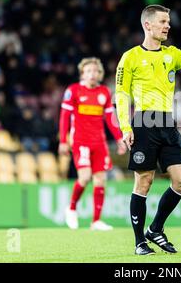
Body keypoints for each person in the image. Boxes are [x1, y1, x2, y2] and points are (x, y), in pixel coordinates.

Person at [115, 4, 181, 255]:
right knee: (144, 182)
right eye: (162, 21)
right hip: (144, 123)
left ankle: (156, 228)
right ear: (147, 25)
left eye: (168, 21)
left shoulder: (171, 54)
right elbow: (122, 94)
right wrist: (125, 127)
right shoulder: (130, 57)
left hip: (167, 123)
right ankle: (139, 243)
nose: (167, 25)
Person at [59, 57, 127, 231]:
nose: (92, 74)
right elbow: (65, 117)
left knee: (101, 180)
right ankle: (72, 208)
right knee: (84, 177)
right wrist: (63, 141)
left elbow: (111, 120)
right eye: (88, 71)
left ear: (100, 74)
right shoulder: (73, 90)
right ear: (82, 73)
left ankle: (96, 221)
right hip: (80, 141)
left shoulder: (104, 92)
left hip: (99, 142)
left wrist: (119, 138)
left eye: (95, 71)